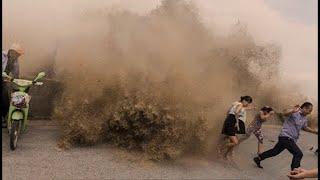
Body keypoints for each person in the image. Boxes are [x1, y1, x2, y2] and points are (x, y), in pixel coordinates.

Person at [253, 102, 318, 170]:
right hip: (286, 137)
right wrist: (293, 110)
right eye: (309, 110)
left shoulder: (305, 118)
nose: (310, 112)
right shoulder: (295, 112)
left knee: (275, 151)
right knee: (298, 154)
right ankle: (294, 173)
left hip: (291, 139)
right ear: (304, 108)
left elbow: (305, 127)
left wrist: (315, 132)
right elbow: (284, 113)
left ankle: (258, 158)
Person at [2, 43, 24, 128]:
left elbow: (16, 75)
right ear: (11, 51)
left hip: (3, 80)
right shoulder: (3, 56)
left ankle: (3, 118)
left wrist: (18, 84)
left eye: (18, 55)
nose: (17, 56)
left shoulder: (15, 62)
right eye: (16, 54)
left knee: (5, 99)